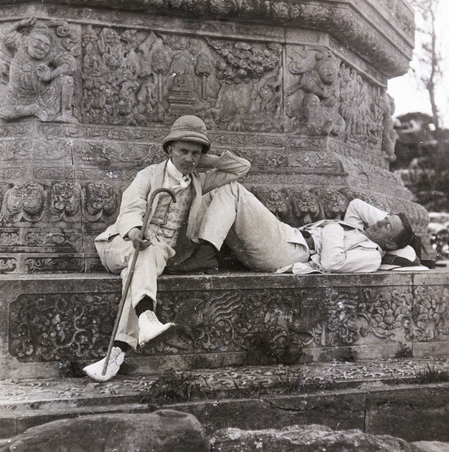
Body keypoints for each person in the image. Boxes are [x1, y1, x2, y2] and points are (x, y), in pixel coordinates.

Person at [83, 115, 250, 381]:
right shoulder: (148, 175)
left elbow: (240, 168)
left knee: (137, 271)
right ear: (169, 149)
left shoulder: (198, 181)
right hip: (122, 244)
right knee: (142, 256)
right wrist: (135, 231)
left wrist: (206, 158)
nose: (189, 158)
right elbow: (131, 207)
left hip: (159, 253)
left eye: (195, 153)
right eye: (183, 151)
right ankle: (146, 319)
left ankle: (117, 352)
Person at [167, 182, 417, 275]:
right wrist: (391, 221)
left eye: (386, 226)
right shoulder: (357, 228)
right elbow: (356, 204)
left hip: (289, 251)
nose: (378, 222)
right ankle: (186, 252)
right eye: (384, 218)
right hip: (287, 237)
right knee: (215, 193)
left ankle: (206, 256)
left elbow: (332, 263)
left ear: (391, 244)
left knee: (233, 190)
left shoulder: (372, 256)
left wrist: (333, 228)